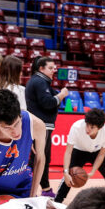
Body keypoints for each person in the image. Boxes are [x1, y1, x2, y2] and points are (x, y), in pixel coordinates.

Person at [25, 56, 69, 197]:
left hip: (44, 126)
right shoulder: (39, 82)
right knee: (38, 159)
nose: (53, 70)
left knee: (43, 159)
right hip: (40, 126)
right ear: (41, 68)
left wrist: (58, 94)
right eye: (50, 68)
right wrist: (61, 95)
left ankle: (46, 189)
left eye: (54, 68)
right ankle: (27, 189)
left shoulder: (42, 82)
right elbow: (48, 103)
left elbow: (50, 98)